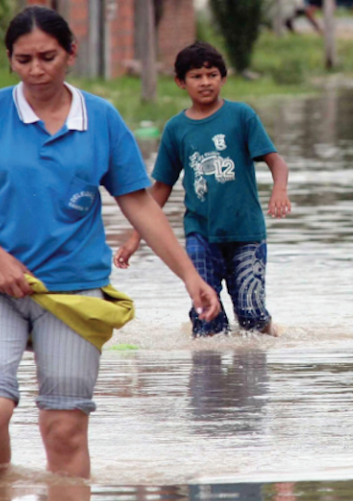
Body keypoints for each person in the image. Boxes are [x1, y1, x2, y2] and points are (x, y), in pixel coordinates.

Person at [0, 6, 220, 479]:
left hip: (74, 288)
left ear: (71, 53)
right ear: (9, 59)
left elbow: (139, 204)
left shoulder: (102, 119)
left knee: (65, 430)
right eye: (23, 59)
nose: (36, 70)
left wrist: (190, 276)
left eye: (47, 57)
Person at [114, 42, 292, 337]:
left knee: (251, 317)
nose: (205, 82)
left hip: (246, 233)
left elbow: (277, 162)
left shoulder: (241, 116)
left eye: (211, 74)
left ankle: (268, 342)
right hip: (200, 233)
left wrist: (280, 190)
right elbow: (160, 189)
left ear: (223, 78)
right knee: (207, 319)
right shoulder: (176, 129)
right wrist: (135, 239)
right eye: (196, 76)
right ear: (181, 82)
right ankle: (207, 376)